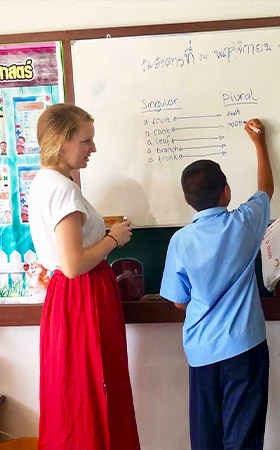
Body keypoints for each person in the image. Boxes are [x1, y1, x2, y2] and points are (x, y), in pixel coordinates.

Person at [28, 104, 140, 449]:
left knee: (79, 389)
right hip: (82, 297)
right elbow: (73, 263)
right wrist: (113, 239)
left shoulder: (48, 182)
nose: (93, 149)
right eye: (86, 141)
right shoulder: (62, 189)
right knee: (92, 388)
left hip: (72, 297)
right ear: (62, 143)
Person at [160, 119, 273, 450]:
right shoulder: (244, 223)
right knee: (244, 435)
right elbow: (265, 190)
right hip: (245, 348)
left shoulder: (180, 241)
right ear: (226, 192)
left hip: (201, 352)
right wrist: (260, 144)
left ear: (187, 201)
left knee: (206, 436)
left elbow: (179, 301)